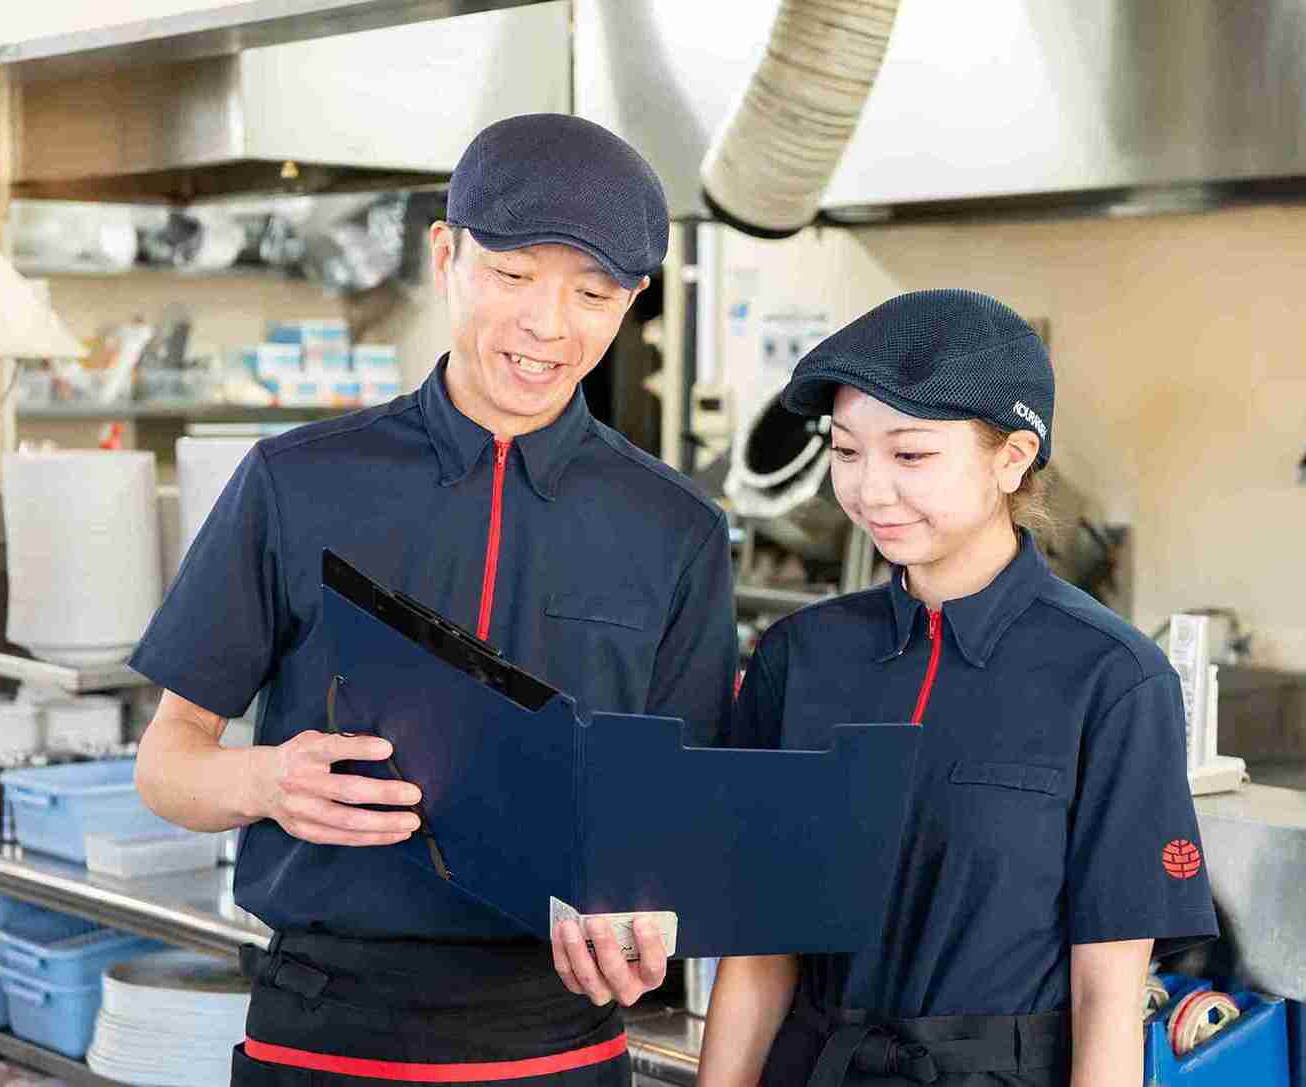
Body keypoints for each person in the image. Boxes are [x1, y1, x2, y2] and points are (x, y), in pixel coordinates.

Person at [130, 113, 737, 1087]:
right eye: (513, 275)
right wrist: (268, 781)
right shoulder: (296, 481)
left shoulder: (676, 528)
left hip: (559, 1042)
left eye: (592, 293)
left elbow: (685, 813)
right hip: (323, 1028)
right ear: (447, 255)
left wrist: (648, 905)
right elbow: (167, 764)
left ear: (631, 302)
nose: (548, 325)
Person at [698, 289, 1218, 1087]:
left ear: (1013, 457)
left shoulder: (1111, 679)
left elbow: (1107, 996)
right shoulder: (798, 658)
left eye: (910, 455)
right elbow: (758, 956)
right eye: (846, 452)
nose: (871, 490)